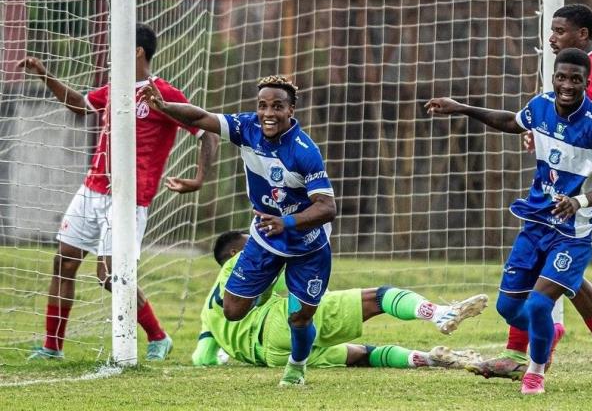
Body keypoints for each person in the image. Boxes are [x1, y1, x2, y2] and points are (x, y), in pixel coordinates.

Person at [425, 48, 592, 395]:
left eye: (575, 80)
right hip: (536, 222)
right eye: (561, 77)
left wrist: (577, 201)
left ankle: (535, 371)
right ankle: (547, 334)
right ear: (554, 77)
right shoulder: (541, 106)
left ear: (586, 83)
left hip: (574, 231)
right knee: (508, 307)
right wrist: (462, 107)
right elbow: (510, 122)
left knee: (537, 304)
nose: (567, 85)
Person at [20, 23, 219, 361]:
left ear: (138, 51)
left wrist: (199, 179)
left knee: (110, 276)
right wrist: (44, 75)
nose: (112, 53)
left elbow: (208, 133)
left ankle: (158, 337)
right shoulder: (115, 88)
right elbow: (80, 105)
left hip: (129, 198)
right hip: (92, 188)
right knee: (63, 263)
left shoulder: (163, 93)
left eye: (119, 45)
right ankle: (52, 347)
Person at [469, 4, 592, 386]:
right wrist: (543, 132)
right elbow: (546, 119)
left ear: (582, 34)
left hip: (588, 191)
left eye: (559, 31)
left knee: (559, 277)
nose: (551, 38)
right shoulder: (564, 78)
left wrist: (566, 146)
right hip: (561, 192)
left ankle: (529, 354)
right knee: (562, 277)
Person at [139, 74, 336, 386]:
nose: (268, 113)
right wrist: (164, 107)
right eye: (262, 105)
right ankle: (265, 286)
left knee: (300, 317)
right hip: (266, 235)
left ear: (291, 110)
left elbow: (327, 208)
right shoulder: (246, 127)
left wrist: (286, 222)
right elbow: (201, 117)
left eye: (277, 106)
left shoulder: (304, 151)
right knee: (231, 311)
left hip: (307, 244)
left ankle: (296, 368)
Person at [192, 231, 488, 372]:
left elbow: (202, 357)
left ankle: (430, 359)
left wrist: (222, 357)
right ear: (234, 254)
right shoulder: (246, 261)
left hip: (272, 358)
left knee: (362, 354)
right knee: (379, 297)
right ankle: (438, 312)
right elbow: (300, 287)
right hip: (279, 325)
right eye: (250, 242)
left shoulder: (208, 309)